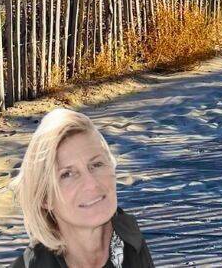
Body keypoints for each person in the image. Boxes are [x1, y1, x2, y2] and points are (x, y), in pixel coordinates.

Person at [8, 108, 155, 267]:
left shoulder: (131, 244)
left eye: (96, 164)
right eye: (67, 174)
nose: (91, 183)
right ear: (45, 197)